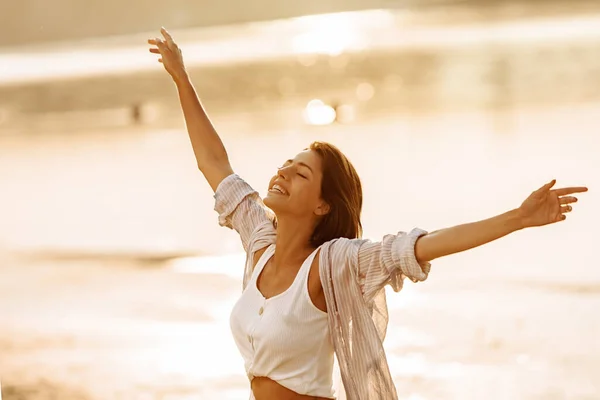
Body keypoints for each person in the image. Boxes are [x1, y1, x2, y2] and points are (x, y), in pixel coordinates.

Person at [148, 28, 588, 400]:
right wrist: (181, 78)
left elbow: (421, 246)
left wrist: (517, 217)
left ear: (322, 205)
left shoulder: (333, 263)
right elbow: (214, 163)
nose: (282, 172)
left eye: (301, 173)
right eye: (287, 163)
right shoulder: (260, 244)